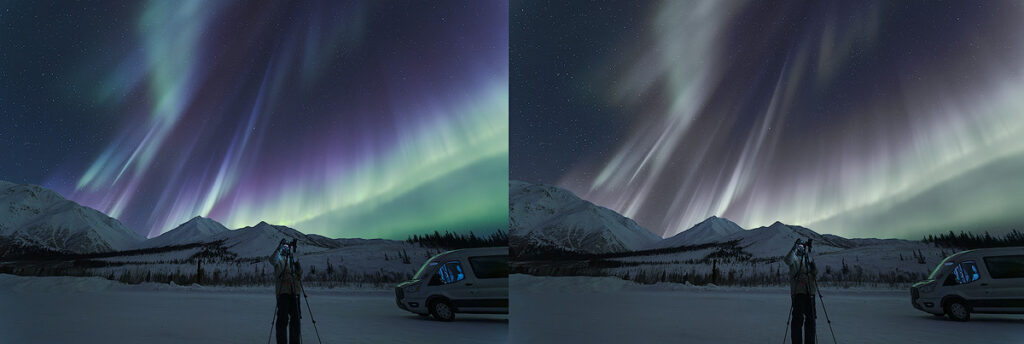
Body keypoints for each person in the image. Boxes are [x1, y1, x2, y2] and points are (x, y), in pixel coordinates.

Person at [271, 239, 303, 344]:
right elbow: (272, 260)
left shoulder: (293, 259)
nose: (286, 249)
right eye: (285, 247)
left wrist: (297, 264)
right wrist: (279, 247)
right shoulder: (279, 259)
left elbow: (299, 274)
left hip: (294, 292)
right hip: (283, 292)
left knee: (296, 320)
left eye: (287, 247)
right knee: (282, 320)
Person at [785, 239, 817, 344]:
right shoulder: (794, 259)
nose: (802, 248)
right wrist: (794, 247)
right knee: (797, 321)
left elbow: (815, 272)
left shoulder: (808, 259)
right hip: (798, 292)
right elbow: (787, 260)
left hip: (810, 292)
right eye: (801, 247)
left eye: (803, 247)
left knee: (811, 320)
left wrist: (811, 255)